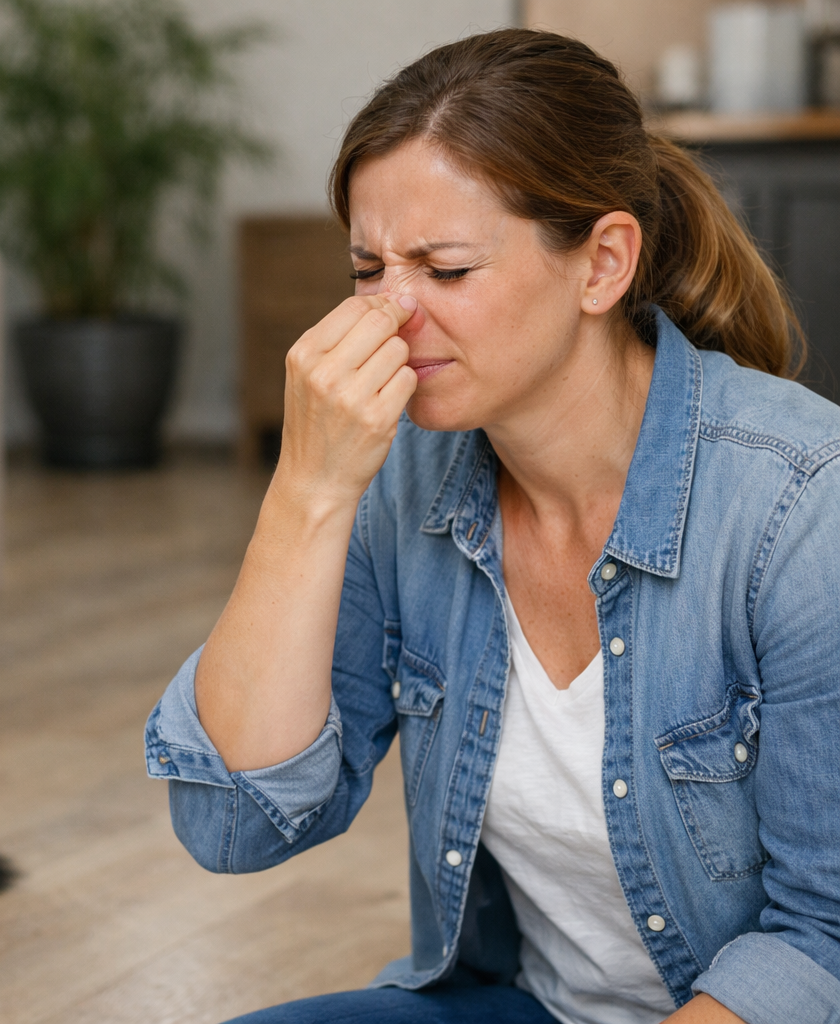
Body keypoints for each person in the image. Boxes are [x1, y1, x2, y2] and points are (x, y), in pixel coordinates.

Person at [145, 28, 840, 1024]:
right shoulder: (404, 481)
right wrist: (306, 493)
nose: (390, 316)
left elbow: (824, 938)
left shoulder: (802, 506)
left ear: (601, 265)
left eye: (446, 270)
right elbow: (231, 823)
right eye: (368, 268)